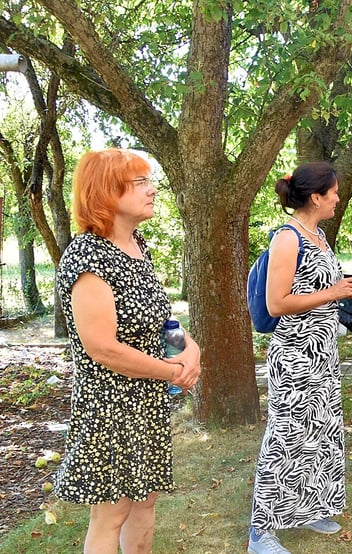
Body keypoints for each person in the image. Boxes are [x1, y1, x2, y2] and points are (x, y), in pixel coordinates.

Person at [54, 148, 202, 554]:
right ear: (106, 191)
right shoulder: (88, 256)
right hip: (110, 407)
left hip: (146, 403)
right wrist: (172, 372)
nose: (153, 190)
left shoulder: (137, 245)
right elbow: (103, 348)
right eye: (141, 183)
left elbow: (159, 321)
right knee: (112, 513)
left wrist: (190, 348)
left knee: (145, 502)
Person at [248, 162, 352, 554]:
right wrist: (334, 293)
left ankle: (312, 507)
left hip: (322, 352)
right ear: (316, 196)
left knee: (321, 433)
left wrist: (341, 289)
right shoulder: (288, 238)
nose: (337, 198)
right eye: (333, 192)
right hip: (294, 356)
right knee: (285, 437)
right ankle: (260, 532)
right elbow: (276, 302)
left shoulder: (319, 236)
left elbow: (316, 286)